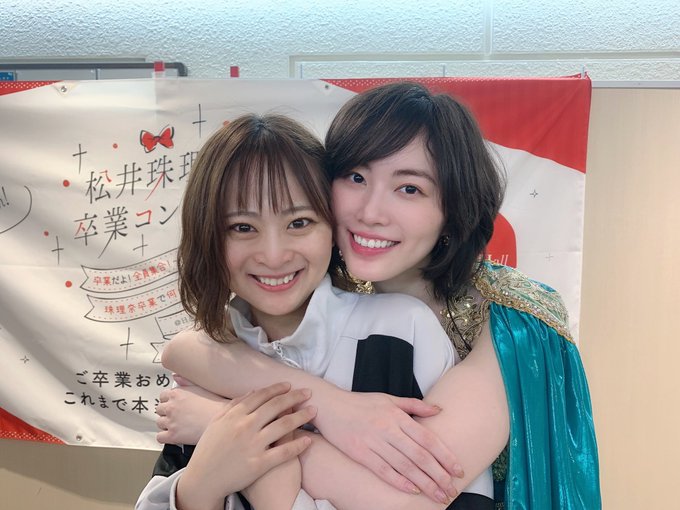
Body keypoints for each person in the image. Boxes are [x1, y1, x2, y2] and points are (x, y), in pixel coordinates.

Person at [157, 82, 601, 509]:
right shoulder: (333, 293)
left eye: (409, 188)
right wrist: (332, 407)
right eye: (356, 177)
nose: (370, 212)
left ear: (453, 208)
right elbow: (187, 349)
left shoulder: (513, 319)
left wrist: (225, 429)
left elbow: (410, 499)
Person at [136, 112, 495, 510]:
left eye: (299, 222)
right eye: (242, 228)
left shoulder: (403, 330)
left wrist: (264, 454)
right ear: (207, 237)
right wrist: (200, 486)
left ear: (332, 225)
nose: (273, 255)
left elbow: (459, 499)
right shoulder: (210, 357)